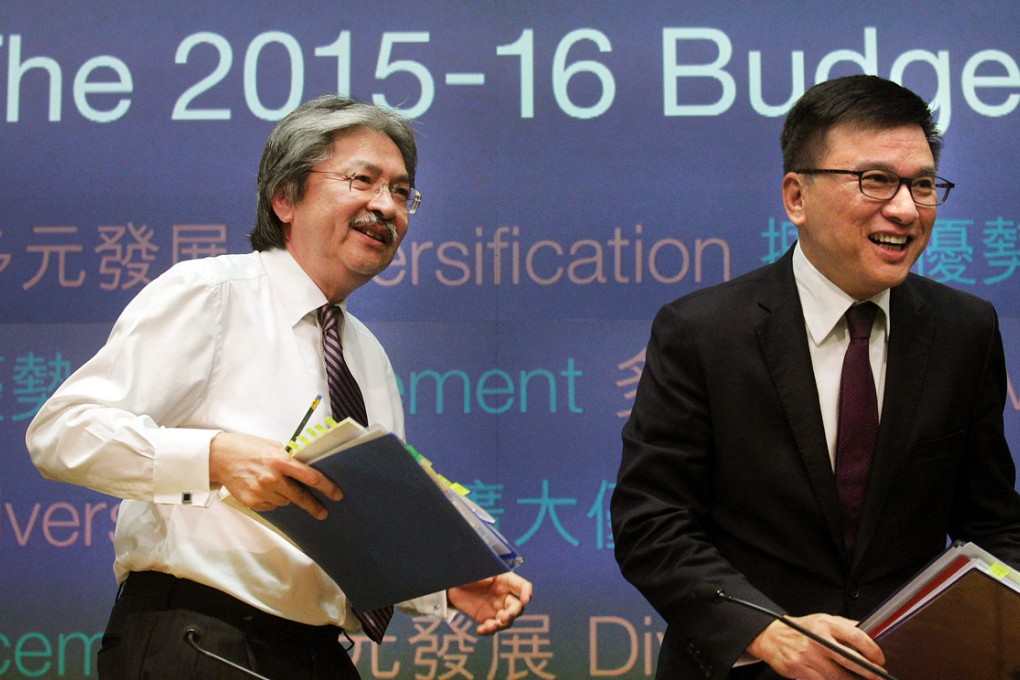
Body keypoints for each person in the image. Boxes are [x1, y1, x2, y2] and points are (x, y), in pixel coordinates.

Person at [26, 95, 532, 680]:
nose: (385, 206)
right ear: (285, 198)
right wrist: (214, 457)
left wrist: (441, 582)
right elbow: (61, 432)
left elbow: (350, 523)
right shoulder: (214, 294)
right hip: (200, 641)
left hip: (316, 656)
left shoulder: (367, 356)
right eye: (362, 180)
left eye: (401, 191)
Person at [610, 74, 1020, 680]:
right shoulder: (702, 332)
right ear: (796, 197)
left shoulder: (964, 330)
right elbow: (651, 523)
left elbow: (992, 527)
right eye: (876, 180)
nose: (906, 209)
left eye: (924, 184)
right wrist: (768, 632)